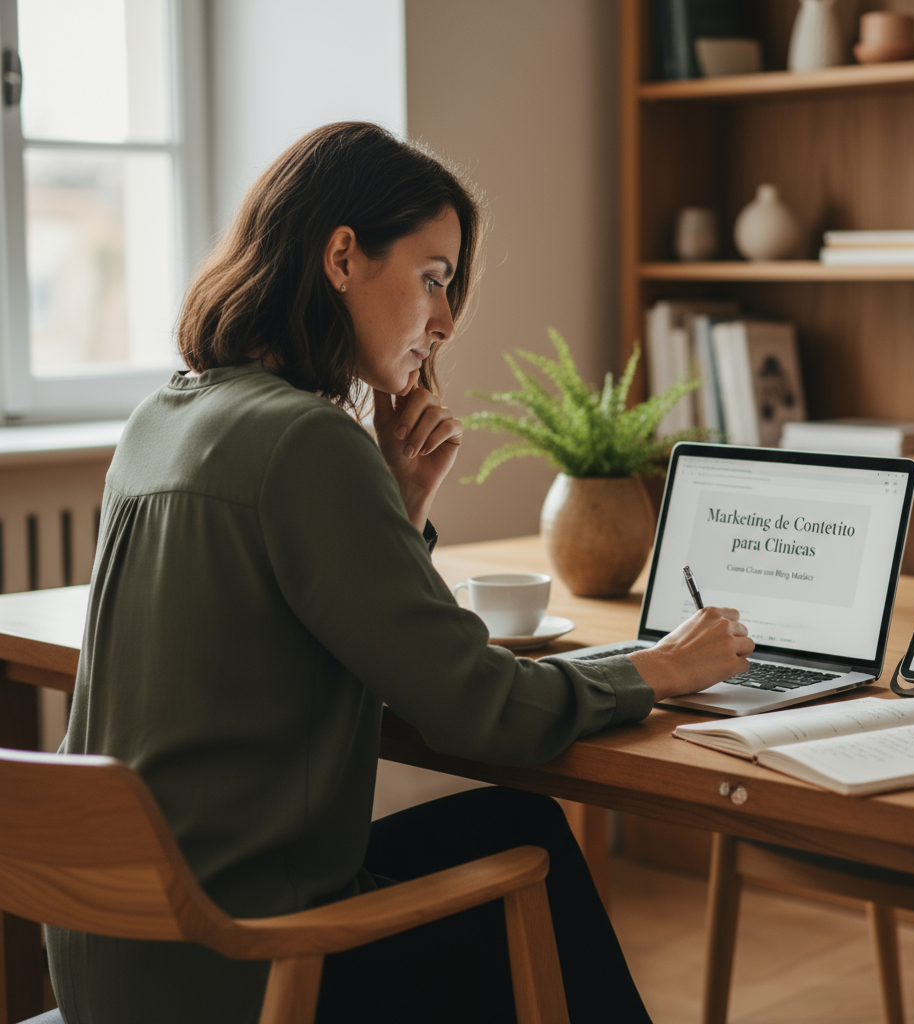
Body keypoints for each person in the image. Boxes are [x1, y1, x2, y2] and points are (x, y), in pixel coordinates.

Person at [46, 122, 753, 1024]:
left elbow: (298, 622)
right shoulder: (306, 442)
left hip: (115, 956)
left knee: (506, 829)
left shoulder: (161, 417)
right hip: (247, 969)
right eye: (434, 277)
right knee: (522, 846)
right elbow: (475, 706)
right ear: (342, 256)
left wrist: (395, 507)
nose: (448, 320)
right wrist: (654, 670)